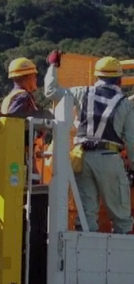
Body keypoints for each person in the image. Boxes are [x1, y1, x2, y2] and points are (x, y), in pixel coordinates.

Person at [44, 50, 134, 234]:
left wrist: (53, 66)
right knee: (121, 216)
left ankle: (84, 256)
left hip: (81, 158)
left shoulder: (81, 92)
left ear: (96, 76)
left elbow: (51, 91)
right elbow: (131, 140)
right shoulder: (124, 104)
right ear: (119, 80)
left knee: (86, 215)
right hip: (109, 158)